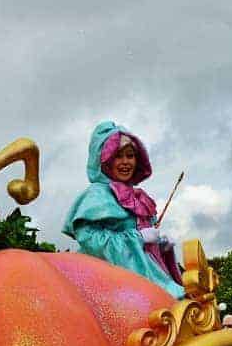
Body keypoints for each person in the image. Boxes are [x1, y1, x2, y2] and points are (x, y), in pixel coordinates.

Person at [63, 121, 184, 299]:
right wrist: (138, 238)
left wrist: (161, 247)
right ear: (106, 161)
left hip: (149, 277)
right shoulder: (96, 196)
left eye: (130, 156)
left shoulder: (139, 199)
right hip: (110, 282)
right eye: (118, 156)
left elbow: (146, 250)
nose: (126, 162)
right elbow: (89, 239)